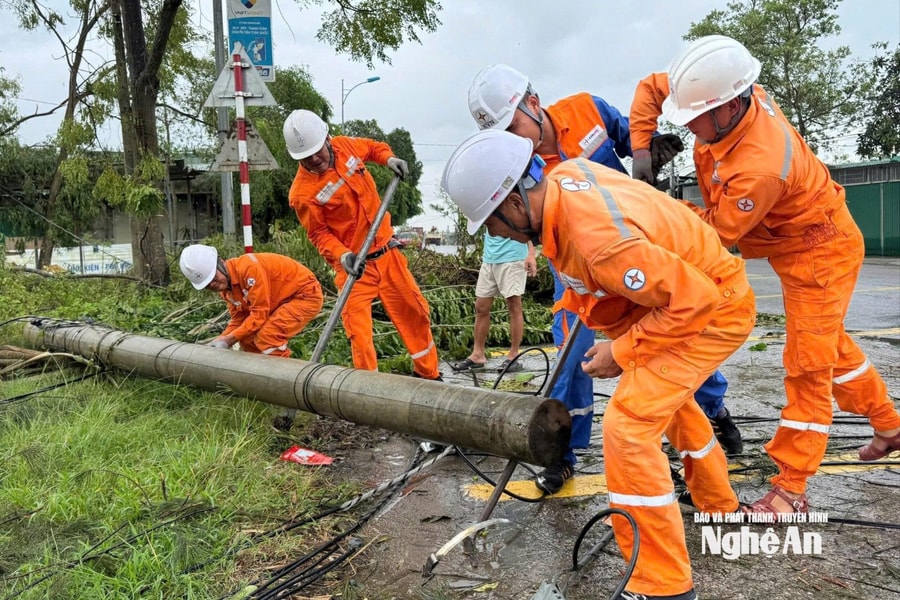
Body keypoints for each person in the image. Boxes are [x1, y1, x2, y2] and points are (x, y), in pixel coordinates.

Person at [442, 129, 755, 600]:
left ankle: (663, 584)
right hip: (677, 301)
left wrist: (622, 351)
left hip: (709, 310)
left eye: (491, 222)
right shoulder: (565, 178)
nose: (495, 234)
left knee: (628, 428)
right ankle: (718, 505)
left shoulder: (599, 242)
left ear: (512, 201)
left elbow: (694, 300)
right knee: (665, 405)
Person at [629, 35, 900, 516]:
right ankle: (889, 424)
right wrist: (642, 151)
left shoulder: (761, 166)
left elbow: (716, 237)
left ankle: (792, 487)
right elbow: (651, 89)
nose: (688, 125)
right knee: (833, 348)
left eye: (694, 117)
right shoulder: (716, 89)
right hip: (790, 243)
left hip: (820, 251)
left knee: (808, 364)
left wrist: (664, 214)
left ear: (730, 106)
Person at [467, 64, 743, 496]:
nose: (515, 141)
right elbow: (527, 221)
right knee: (574, 353)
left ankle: (714, 412)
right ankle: (563, 454)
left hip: (628, 253)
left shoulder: (586, 110)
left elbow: (628, 135)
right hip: (579, 262)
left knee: (675, 346)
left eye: (514, 125)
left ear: (533, 104)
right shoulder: (525, 169)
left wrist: (646, 153)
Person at [282, 109, 442, 380]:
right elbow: (318, 234)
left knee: (414, 314)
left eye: (317, 150)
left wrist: (388, 158)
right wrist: (342, 255)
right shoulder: (302, 194)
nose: (314, 158)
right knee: (359, 334)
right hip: (354, 267)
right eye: (305, 157)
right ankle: (367, 393)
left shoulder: (346, 147)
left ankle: (429, 376)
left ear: (327, 138)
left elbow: (372, 148)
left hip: (387, 256)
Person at [179, 244, 323, 357]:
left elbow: (259, 315)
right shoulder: (226, 289)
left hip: (304, 295)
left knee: (268, 336)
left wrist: (228, 340)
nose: (213, 285)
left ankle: (283, 382)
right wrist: (221, 339)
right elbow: (238, 320)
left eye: (214, 278)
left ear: (221, 262)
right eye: (207, 285)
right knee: (246, 339)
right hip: (279, 300)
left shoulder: (248, 269)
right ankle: (256, 382)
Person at [451, 233, 536, 374]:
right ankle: (478, 355)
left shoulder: (515, 209)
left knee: (514, 305)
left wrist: (531, 254)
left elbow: (528, 225)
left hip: (513, 257)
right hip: (489, 258)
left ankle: (513, 355)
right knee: (481, 306)